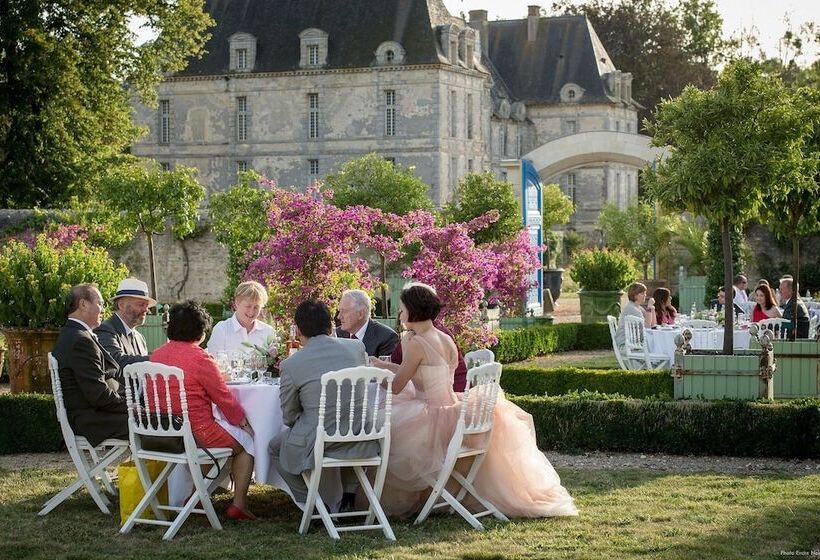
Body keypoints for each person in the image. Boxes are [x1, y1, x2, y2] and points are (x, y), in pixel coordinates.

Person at [370, 283, 577, 518]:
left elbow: (397, 386)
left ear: (413, 310)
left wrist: (374, 375)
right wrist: (385, 365)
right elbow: (420, 371)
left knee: (385, 430)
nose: (399, 314)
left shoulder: (417, 343)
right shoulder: (444, 337)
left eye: (402, 309)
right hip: (455, 411)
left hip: (434, 419)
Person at [151, 300, 257, 521]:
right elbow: (224, 398)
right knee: (247, 444)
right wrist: (245, 423)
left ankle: (197, 496)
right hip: (197, 433)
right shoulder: (200, 358)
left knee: (220, 445)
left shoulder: (156, 355)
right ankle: (238, 504)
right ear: (200, 331)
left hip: (162, 432)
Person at [269, 299, 377, 509]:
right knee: (345, 422)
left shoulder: (292, 364)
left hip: (321, 438)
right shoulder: (356, 347)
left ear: (298, 331)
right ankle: (348, 496)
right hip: (361, 433)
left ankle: (314, 503)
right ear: (330, 326)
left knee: (274, 448)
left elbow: (289, 416)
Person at [51, 284, 128, 446]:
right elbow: (98, 394)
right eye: (100, 303)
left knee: (161, 419)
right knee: (162, 423)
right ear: (83, 304)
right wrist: (132, 406)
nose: (104, 310)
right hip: (94, 421)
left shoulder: (74, 334)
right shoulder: (80, 339)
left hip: (99, 414)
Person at [389, 321, 469, 392]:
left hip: (444, 395)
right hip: (463, 390)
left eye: (403, 311)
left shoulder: (417, 338)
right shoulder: (442, 332)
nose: (401, 317)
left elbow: (396, 363)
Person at [95, 278, 155, 369]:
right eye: (141, 304)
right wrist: (157, 358)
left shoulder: (140, 338)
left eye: (147, 305)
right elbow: (116, 361)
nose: (146, 310)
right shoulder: (105, 330)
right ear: (121, 305)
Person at [207, 281, 274, 355]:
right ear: (236, 303)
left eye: (256, 307)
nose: (251, 311)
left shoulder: (268, 331)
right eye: (248, 306)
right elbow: (212, 360)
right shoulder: (221, 329)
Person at [335, 289, 399, 357]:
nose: (339, 316)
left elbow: (385, 363)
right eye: (339, 311)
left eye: (344, 311)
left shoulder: (386, 337)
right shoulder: (336, 335)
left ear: (360, 314)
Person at [614, 283, 654, 348]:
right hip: (626, 345)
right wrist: (649, 307)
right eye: (642, 293)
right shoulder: (632, 309)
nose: (645, 295)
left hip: (632, 343)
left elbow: (652, 324)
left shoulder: (638, 308)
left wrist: (652, 308)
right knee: (655, 349)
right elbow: (647, 327)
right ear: (635, 295)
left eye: (645, 293)